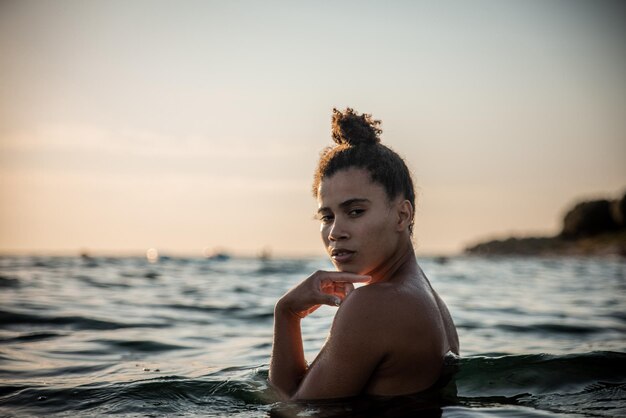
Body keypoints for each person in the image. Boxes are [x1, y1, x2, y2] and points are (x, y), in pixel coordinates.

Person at [269, 108, 459, 401]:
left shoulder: (374, 304)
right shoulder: (429, 301)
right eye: (327, 217)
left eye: (355, 211)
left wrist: (287, 313)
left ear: (401, 215)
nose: (335, 232)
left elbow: (290, 409)